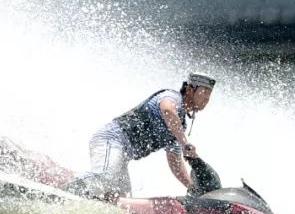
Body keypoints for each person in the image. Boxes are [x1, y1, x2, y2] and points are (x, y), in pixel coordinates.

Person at [75, 73, 217, 201]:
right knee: (106, 177)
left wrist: (191, 187)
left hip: (123, 155)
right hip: (111, 140)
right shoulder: (172, 96)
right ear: (190, 89)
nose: (206, 99)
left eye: (209, 95)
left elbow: (174, 160)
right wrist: (185, 143)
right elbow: (167, 110)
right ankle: (66, 187)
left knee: (121, 200)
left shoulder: (180, 125)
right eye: (204, 92)